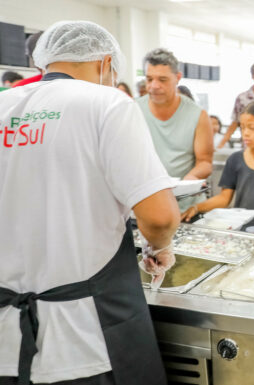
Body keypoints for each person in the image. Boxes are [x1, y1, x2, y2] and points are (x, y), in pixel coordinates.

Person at [0, 20, 180, 385]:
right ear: (106, 62)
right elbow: (159, 218)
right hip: (86, 338)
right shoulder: (107, 103)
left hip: (6, 341)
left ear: (44, 62)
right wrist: (159, 248)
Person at [182, 101, 254, 221]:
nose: (246, 133)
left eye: (252, 128)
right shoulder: (235, 160)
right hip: (242, 226)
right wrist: (196, 208)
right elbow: (224, 198)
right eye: (242, 128)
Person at [136, 48, 214, 210]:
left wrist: (187, 182)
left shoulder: (198, 115)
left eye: (162, 80)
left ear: (178, 78)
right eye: (149, 79)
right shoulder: (133, 110)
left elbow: (205, 162)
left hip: (184, 207)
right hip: (145, 204)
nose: (154, 86)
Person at [216, 63, 254, 148]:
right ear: (253, 76)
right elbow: (235, 122)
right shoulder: (242, 98)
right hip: (248, 146)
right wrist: (221, 143)